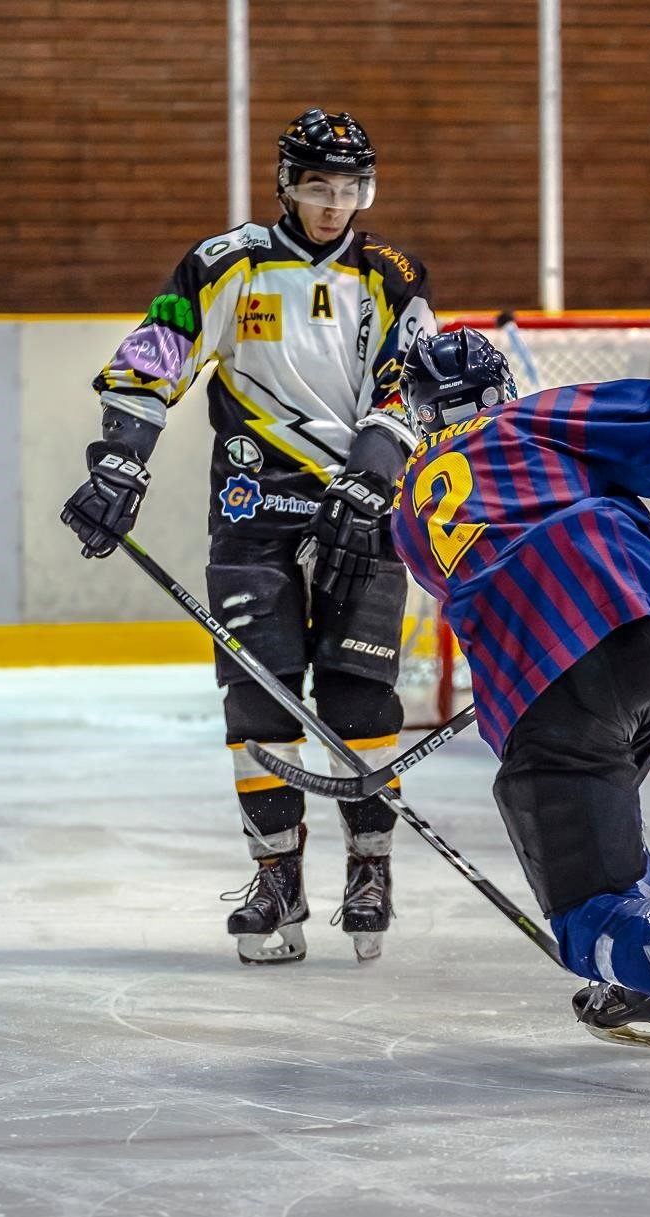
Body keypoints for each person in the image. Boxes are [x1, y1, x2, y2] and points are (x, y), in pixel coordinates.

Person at [390, 327, 650, 1101]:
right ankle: (647, 986)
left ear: (417, 412)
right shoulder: (537, 418)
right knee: (605, 804)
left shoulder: (409, 511)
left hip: (549, 681)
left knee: (587, 919)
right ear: (497, 389)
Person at [60, 109, 436, 965]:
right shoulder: (225, 263)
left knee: (358, 699)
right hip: (253, 507)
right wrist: (121, 463)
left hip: (364, 509)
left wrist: (371, 476)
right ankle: (277, 879)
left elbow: (409, 383)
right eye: (317, 187)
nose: (333, 205)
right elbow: (154, 356)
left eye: (348, 189)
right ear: (286, 185)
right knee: (258, 698)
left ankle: (370, 867)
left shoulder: (393, 273)